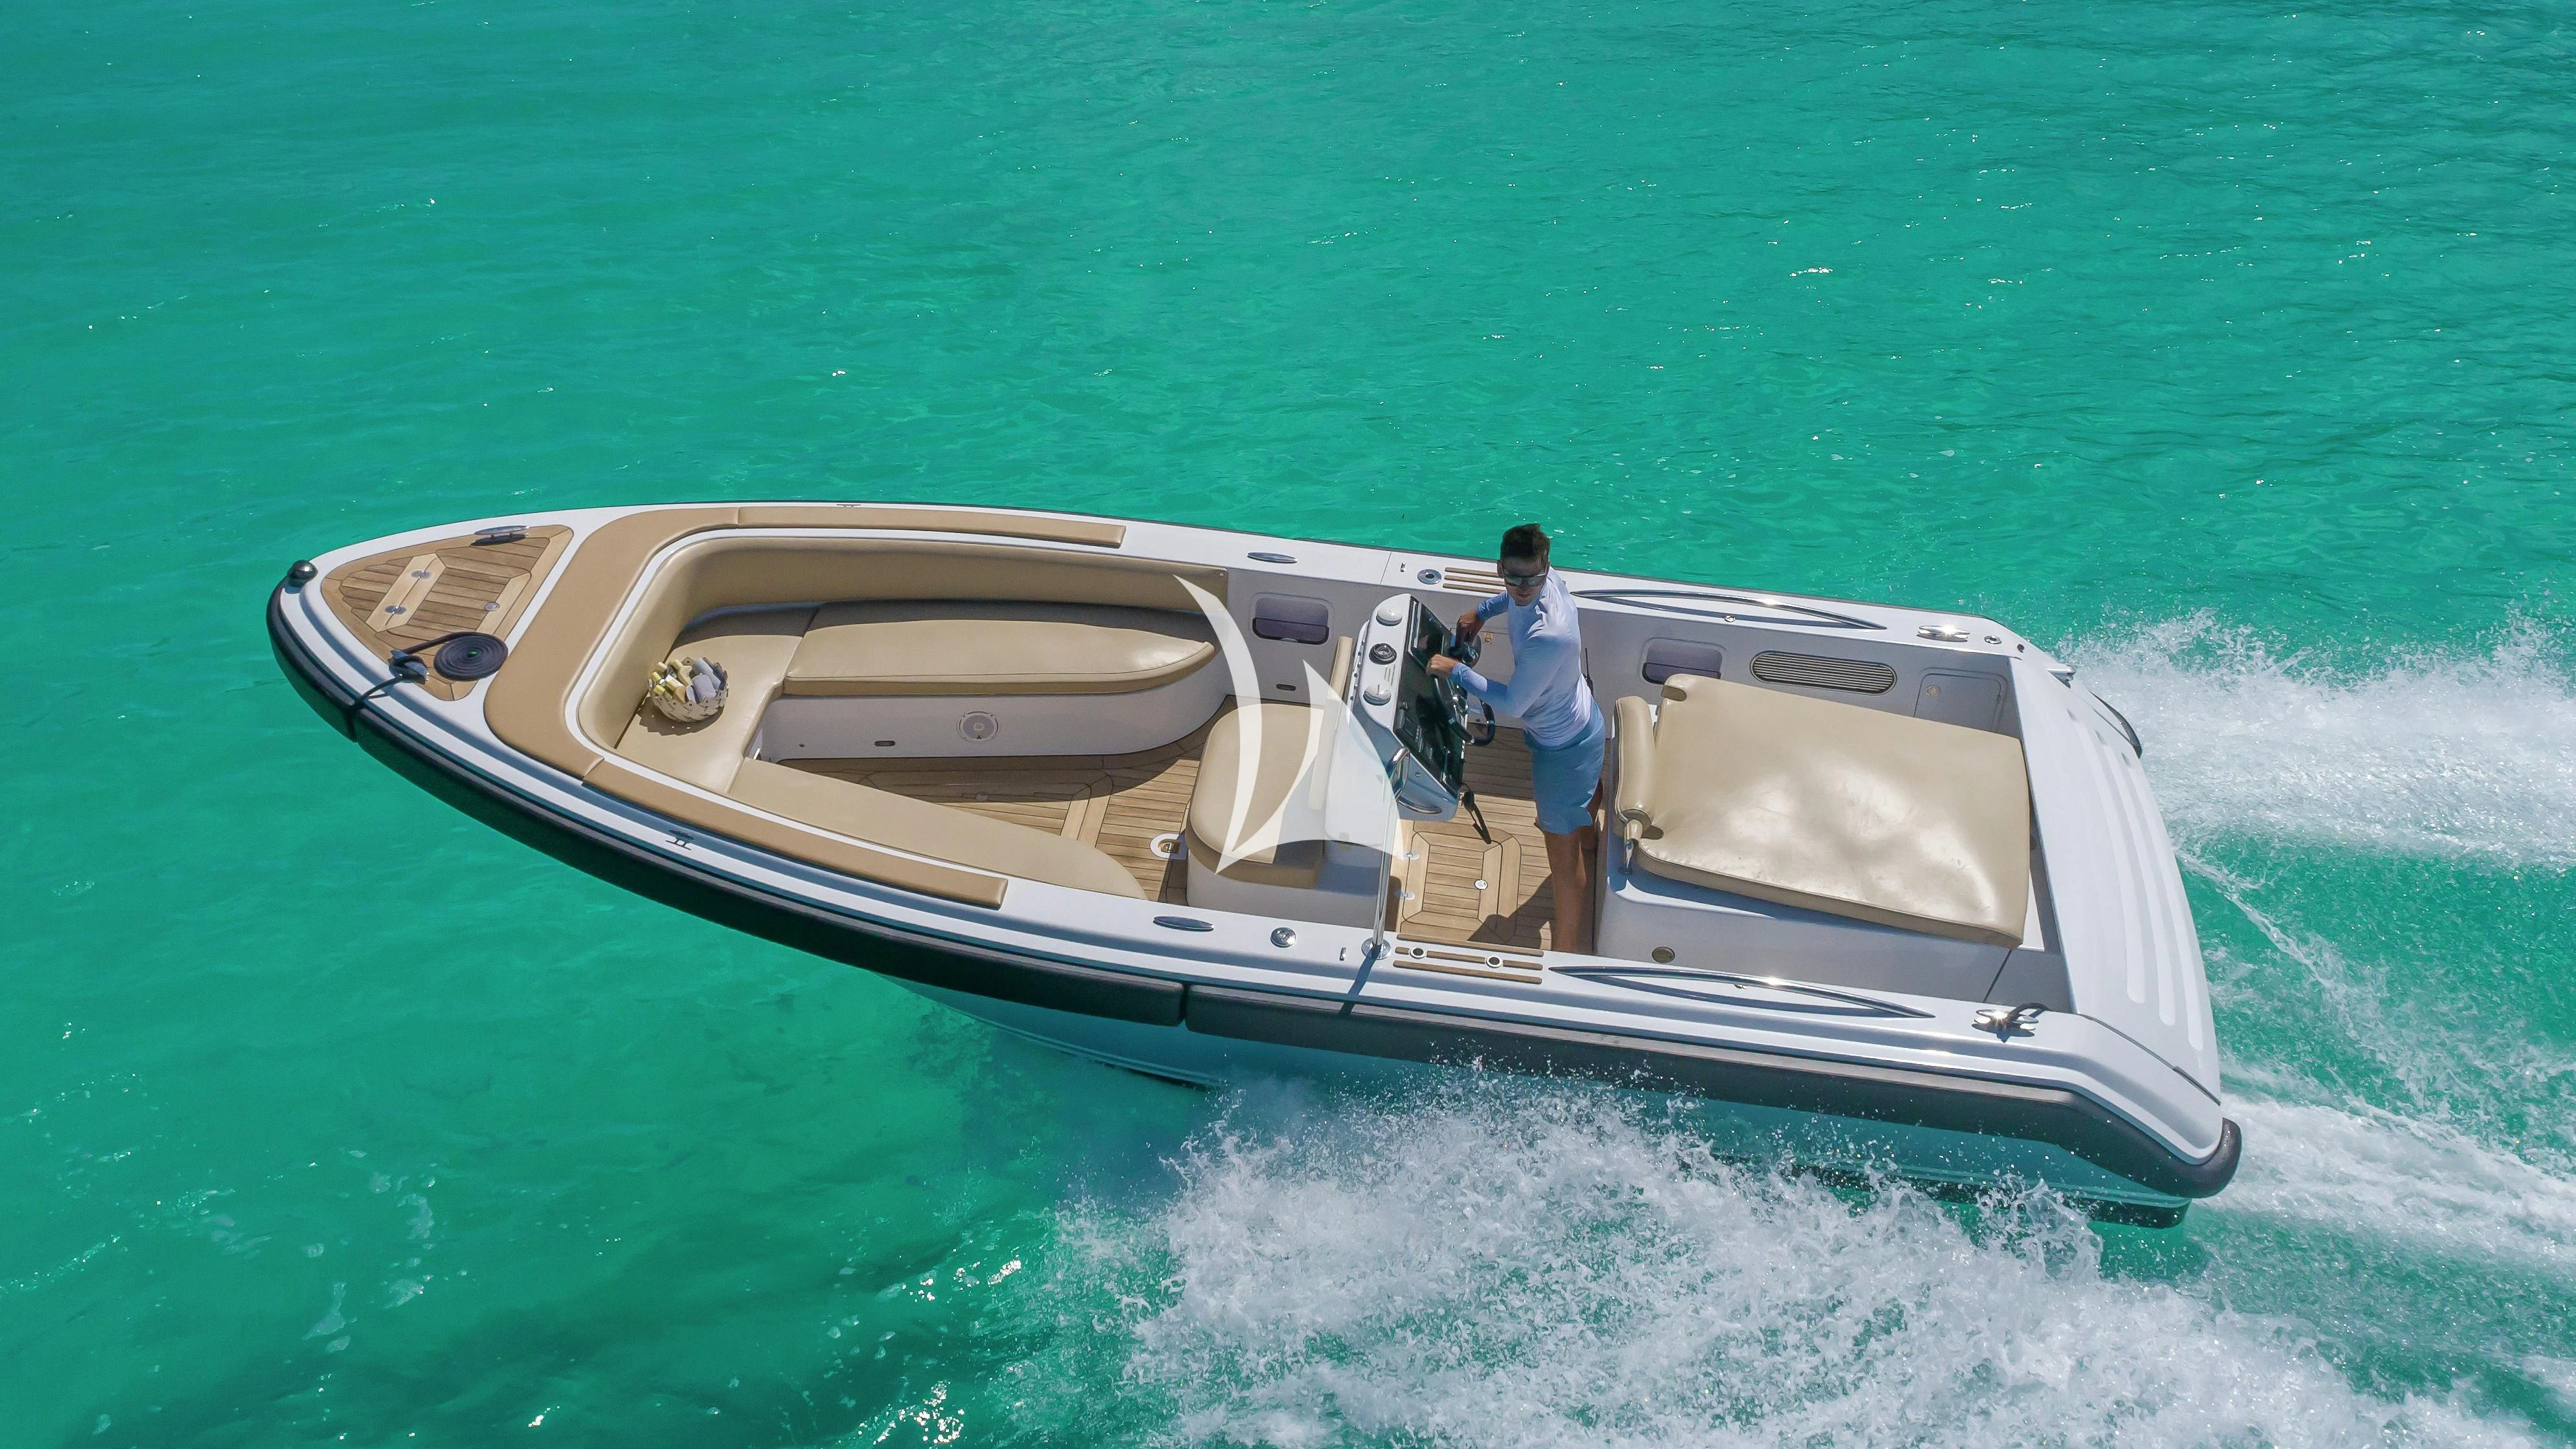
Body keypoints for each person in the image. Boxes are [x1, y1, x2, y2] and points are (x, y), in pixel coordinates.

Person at [1428, 523, 1606, 954]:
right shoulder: (1546, 581)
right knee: (1583, 803)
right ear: (1500, 570)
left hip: (1562, 748)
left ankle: (1566, 952)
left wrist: (1457, 671)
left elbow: (1513, 704)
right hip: (1585, 721)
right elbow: (1512, 598)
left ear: (1547, 567)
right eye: (1514, 578)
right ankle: (1593, 840)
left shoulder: (1550, 636)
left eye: (1532, 578)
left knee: (1561, 856)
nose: (1523, 588)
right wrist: (1482, 612)